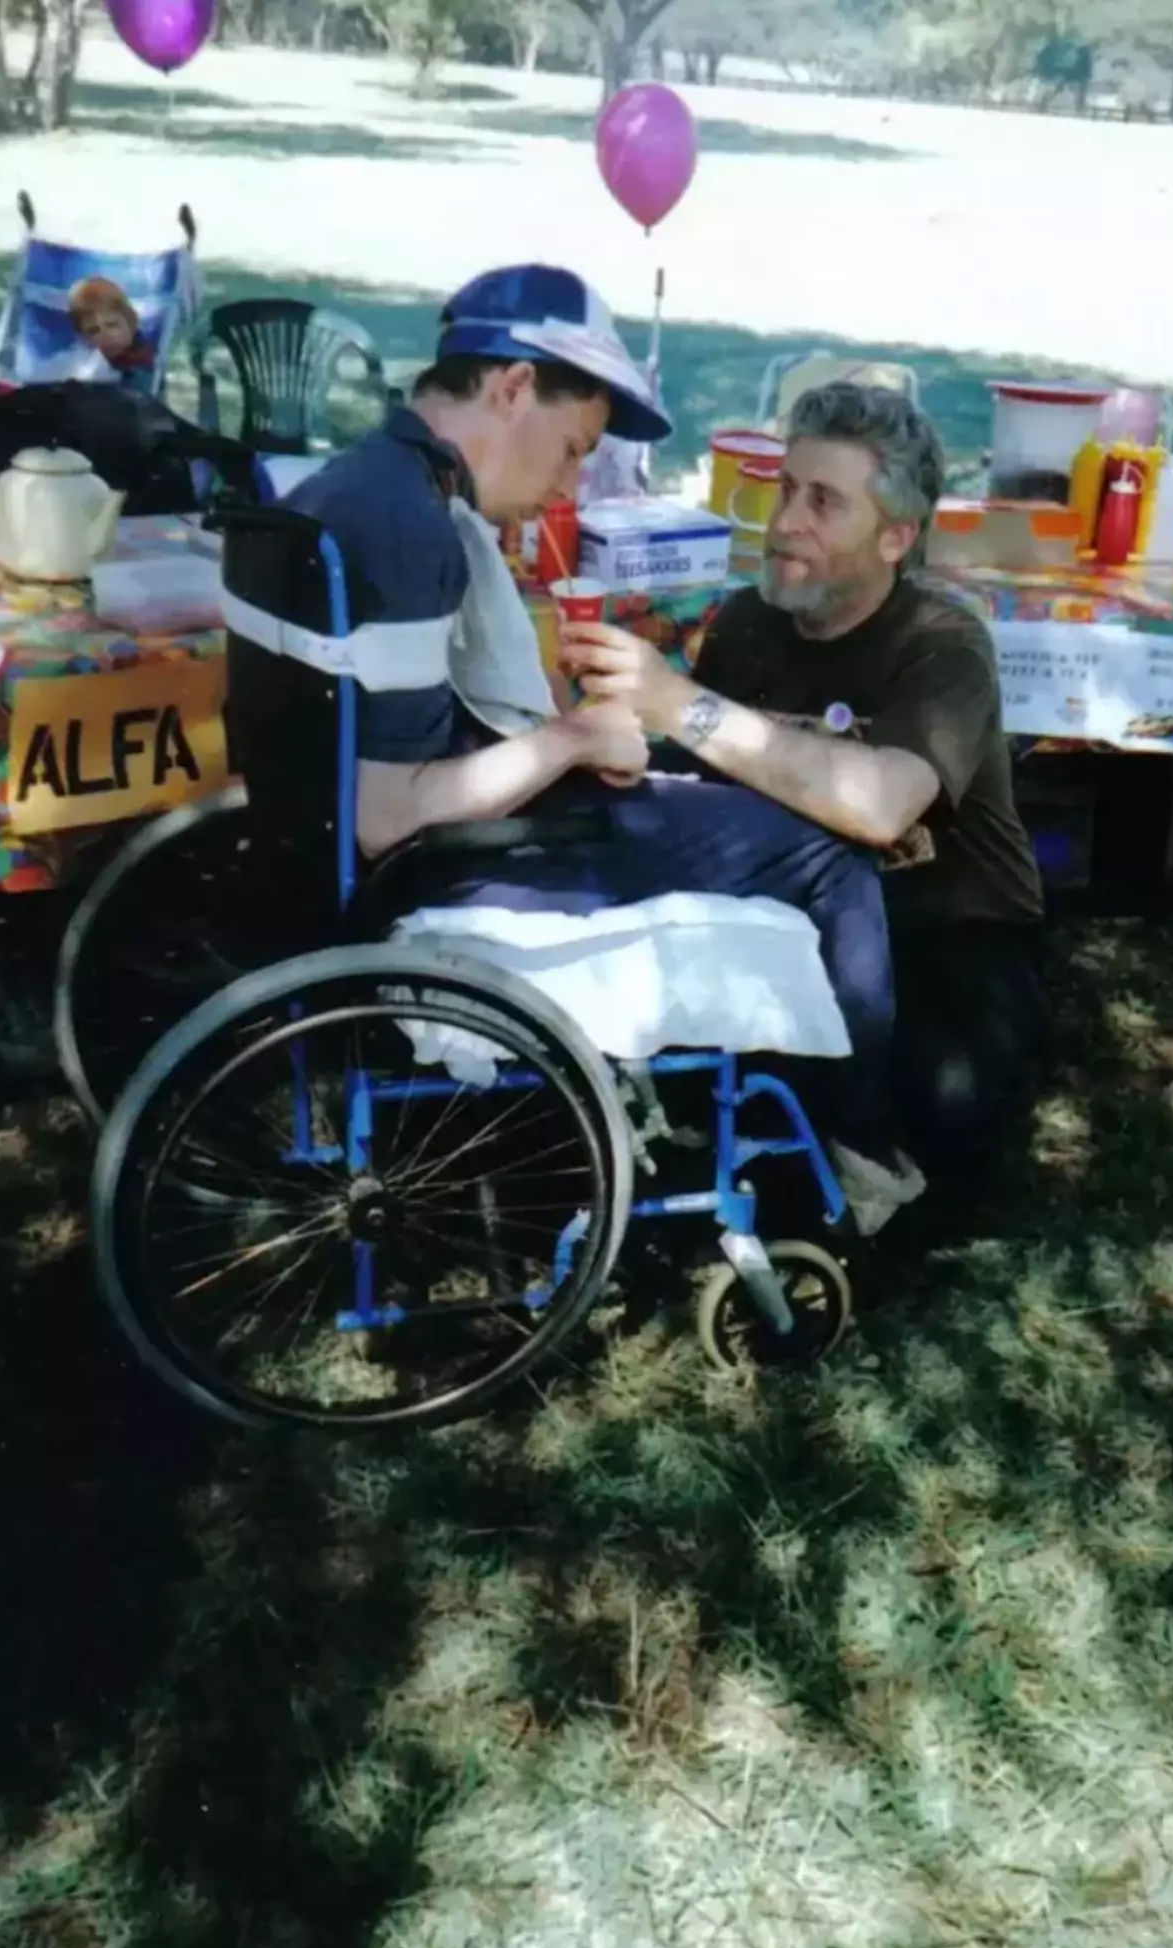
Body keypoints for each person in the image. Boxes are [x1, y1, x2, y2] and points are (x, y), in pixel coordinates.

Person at [285, 266, 921, 1233]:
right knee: (830, 850)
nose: (568, 484)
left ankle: (763, 1103)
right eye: (575, 452)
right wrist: (572, 735)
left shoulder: (348, 480)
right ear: (509, 389)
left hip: (353, 844)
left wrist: (566, 749)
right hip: (441, 870)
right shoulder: (410, 524)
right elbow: (385, 815)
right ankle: (853, 1151)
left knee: (710, 799)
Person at [564, 381, 1048, 1191]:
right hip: (795, 912)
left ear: (896, 538)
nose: (786, 522)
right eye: (787, 489)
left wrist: (678, 702)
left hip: (946, 924)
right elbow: (708, 781)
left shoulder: (943, 643)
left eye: (825, 503)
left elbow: (882, 805)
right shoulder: (751, 625)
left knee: (946, 1105)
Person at [67, 277, 157, 394]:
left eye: (112, 325)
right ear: (85, 338)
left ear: (131, 322)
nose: (105, 335)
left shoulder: (140, 359)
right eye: (93, 331)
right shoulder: (93, 360)